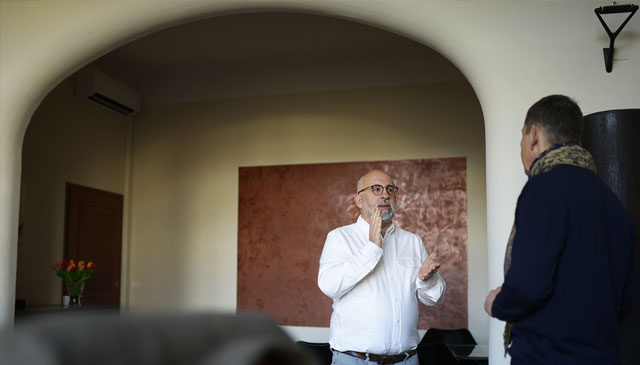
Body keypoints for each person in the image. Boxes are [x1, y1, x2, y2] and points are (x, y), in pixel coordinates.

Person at [484, 95, 637, 364]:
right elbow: (625, 299)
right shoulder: (614, 205)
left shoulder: (543, 189)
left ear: (533, 135)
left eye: (521, 136)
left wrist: (497, 303)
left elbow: (527, 288)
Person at [318, 169, 446, 365]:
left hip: (407, 360)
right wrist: (372, 248)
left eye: (390, 190)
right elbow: (329, 286)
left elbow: (434, 299)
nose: (385, 194)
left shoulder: (412, 242)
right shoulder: (340, 238)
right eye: (376, 189)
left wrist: (426, 280)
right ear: (358, 201)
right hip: (354, 360)